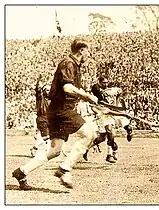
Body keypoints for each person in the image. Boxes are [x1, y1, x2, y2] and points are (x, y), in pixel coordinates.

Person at [12, 38, 98, 190]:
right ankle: (65, 169)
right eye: (88, 51)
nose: (89, 55)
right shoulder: (68, 63)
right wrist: (86, 97)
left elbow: (72, 89)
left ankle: (21, 172)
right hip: (62, 110)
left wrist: (88, 97)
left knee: (55, 151)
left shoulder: (74, 66)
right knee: (89, 134)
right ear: (82, 50)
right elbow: (67, 89)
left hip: (58, 111)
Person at [82, 76, 132, 163]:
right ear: (100, 83)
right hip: (105, 114)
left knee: (102, 138)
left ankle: (128, 133)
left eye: (106, 82)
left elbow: (119, 95)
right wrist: (117, 109)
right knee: (109, 133)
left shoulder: (111, 90)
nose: (105, 84)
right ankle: (111, 153)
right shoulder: (96, 93)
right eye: (104, 83)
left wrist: (118, 100)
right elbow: (102, 103)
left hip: (114, 113)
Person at [30, 76, 51, 157]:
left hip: (49, 119)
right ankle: (43, 151)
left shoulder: (51, 99)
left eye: (50, 90)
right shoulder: (40, 98)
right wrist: (39, 81)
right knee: (47, 136)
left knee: (47, 136)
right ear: (43, 91)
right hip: (42, 119)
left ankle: (36, 148)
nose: (48, 92)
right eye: (47, 90)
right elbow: (38, 90)